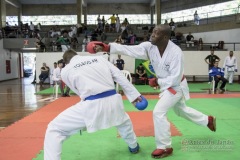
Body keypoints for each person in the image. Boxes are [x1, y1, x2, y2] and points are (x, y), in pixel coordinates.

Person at [93, 24, 216, 158]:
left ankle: (164, 147)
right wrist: (107, 47)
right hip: (166, 85)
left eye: (156, 33)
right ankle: (207, 120)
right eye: (153, 32)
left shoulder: (176, 53)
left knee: (158, 112)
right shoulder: (149, 47)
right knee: (181, 110)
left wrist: (158, 82)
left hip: (176, 87)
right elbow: (130, 50)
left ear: (164, 37)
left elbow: (174, 79)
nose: (152, 34)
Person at [44, 49, 144, 159]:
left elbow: (77, 91)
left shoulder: (65, 70)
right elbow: (119, 75)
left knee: (54, 129)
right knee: (123, 121)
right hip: (114, 100)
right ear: (77, 55)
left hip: (91, 104)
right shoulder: (99, 58)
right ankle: (134, 146)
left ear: (66, 61)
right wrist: (134, 96)